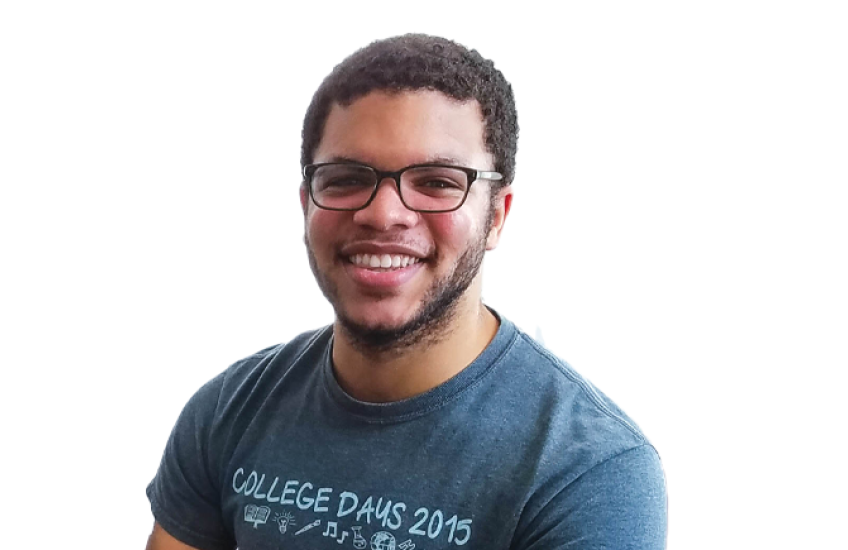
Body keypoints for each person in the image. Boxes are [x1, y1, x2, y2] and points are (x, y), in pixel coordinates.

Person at [146, 34, 667, 550]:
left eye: (437, 181)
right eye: (346, 178)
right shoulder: (228, 411)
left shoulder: (588, 474)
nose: (383, 213)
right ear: (307, 204)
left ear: (496, 216)